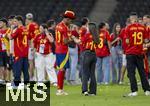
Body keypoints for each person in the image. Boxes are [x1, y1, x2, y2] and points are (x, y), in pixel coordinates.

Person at [124, 12, 150, 96]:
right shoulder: (143, 28)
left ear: (131, 19)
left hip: (130, 53)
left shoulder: (128, 28)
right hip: (139, 53)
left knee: (131, 73)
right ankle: (147, 90)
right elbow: (146, 41)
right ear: (137, 18)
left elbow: (127, 41)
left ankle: (134, 91)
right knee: (142, 72)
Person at [55, 10, 75, 95]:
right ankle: (59, 90)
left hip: (58, 49)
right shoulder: (64, 27)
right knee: (62, 69)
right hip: (62, 49)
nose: (71, 21)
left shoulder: (58, 25)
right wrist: (72, 39)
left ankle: (61, 89)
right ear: (67, 19)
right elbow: (65, 41)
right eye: (70, 20)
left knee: (62, 69)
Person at [9, 15, 29, 87]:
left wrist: (11, 29)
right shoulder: (26, 29)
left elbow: (11, 37)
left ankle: (16, 85)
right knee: (25, 70)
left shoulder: (18, 29)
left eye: (15, 21)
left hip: (18, 53)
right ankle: (26, 84)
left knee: (17, 69)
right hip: (25, 53)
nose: (14, 23)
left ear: (19, 21)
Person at [25, 13, 40, 81]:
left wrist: (30, 47)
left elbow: (28, 38)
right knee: (36, 63)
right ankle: (37, 77)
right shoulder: (36, 24)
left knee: (31, 62)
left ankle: (31, 77)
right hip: (38, 45)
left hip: (32, 46)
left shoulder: (29, 26)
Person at [0, 18, 10, 83]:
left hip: (7, 51)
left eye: (0, 23)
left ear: (4, 23)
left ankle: (7, 79)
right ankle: (2, 79)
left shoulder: (9, 30)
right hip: (0, 51)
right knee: (1, 65)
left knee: (7, 66)